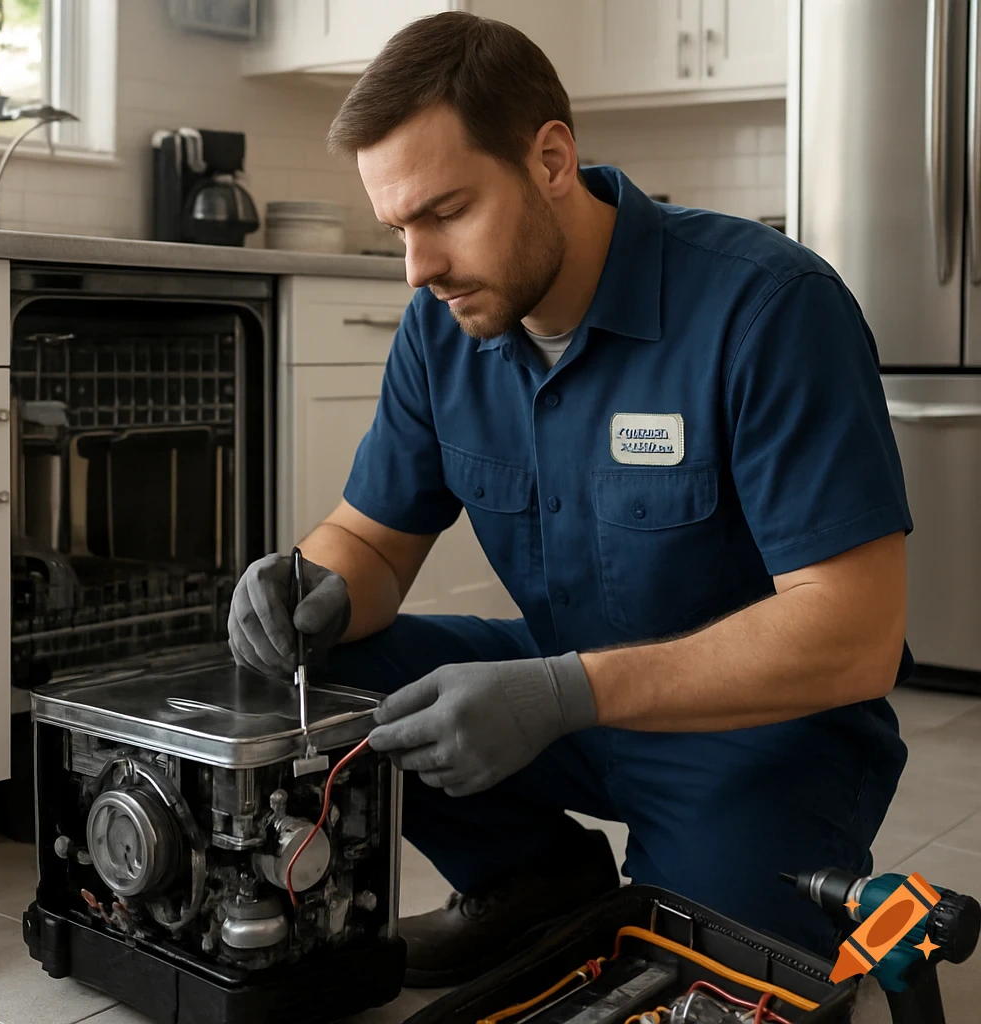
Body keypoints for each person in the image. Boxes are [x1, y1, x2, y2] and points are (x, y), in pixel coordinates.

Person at [228, 11, 913, 988]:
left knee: (677, 990)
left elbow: (855, 634)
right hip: (558, 701)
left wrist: (565, 691)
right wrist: (315, 584)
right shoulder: (441, 329)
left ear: (551, 157)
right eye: (399, 228)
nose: (418, 267)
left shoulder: (766, 307)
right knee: (330, 670)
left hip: (762, 737)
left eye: (446, 211)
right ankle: (531, 878)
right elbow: (371, 541)